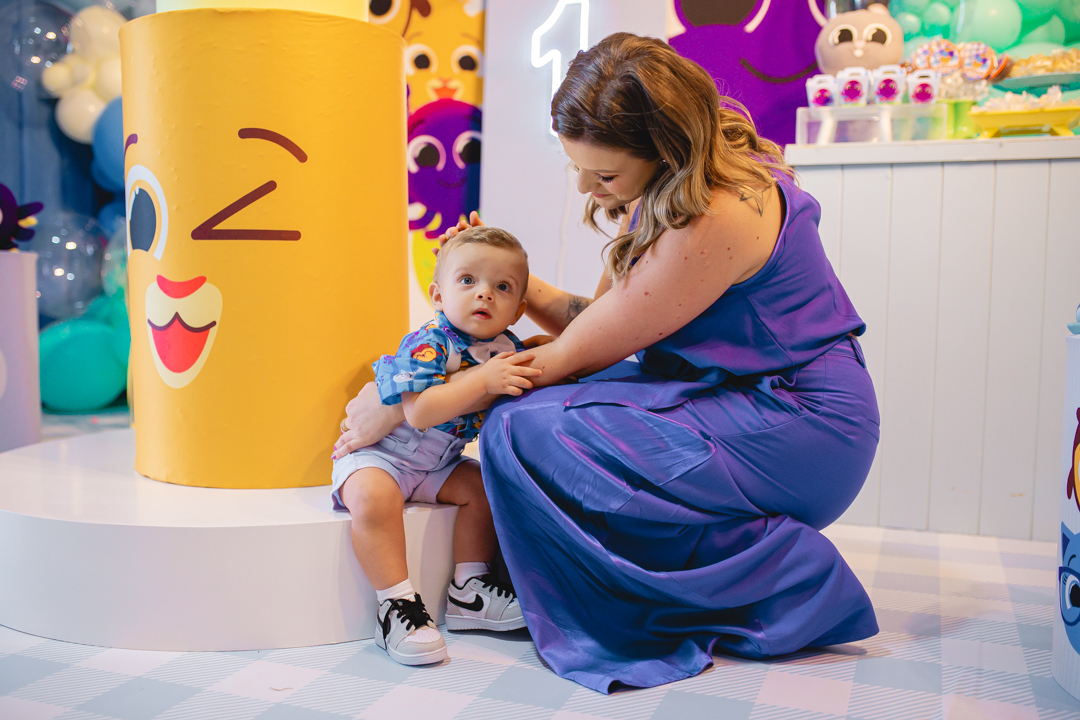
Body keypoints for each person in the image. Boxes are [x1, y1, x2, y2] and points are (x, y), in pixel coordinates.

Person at [336, 33, 880, 692]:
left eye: (604, 175)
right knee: (527, 413)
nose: (586, 187)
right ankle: (686, 561)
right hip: (732, 394)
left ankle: (783, 576)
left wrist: (395, 398)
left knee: (521, 425)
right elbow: (599, 323)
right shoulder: (671, 188)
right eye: (577, 167)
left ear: (665, 148)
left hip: (801, 422)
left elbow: (572, 355)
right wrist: (502, 281)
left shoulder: (716, 216)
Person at [331, 226, 539, 666]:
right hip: (382, 455)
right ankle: (396, 604)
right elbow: (420, 412)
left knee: (483, 486)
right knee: (373, 496)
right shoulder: (429, 341)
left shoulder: (505, 347)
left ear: (519, 310)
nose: (484, 294)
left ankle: (470, 589)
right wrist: (483, 381)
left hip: (437, 463)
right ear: (438, 295)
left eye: (502, 287)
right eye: (468, 280)